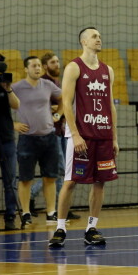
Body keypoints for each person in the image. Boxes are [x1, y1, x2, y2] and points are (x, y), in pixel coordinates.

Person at [49, 27, 119, 248]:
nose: (99, 38)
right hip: (81, 135)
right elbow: (66, 103)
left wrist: (114, 137)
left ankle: (92, 228)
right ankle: (60, 228)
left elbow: (110, 106)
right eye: (94, 36)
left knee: (100, 182)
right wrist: (76, 134)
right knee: (70, 182)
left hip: (103, 134)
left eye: (100, 35)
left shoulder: (108, 70)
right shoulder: (73, 67)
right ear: (83, 41)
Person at [12, 56, 63, 225]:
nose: (37, 68)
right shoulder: (17, 87)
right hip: (27, 140)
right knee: (26, 179)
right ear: (26, 69)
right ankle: (25, 213)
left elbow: (63, 98)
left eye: (39, 66)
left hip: (49, 138)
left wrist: (58, 114)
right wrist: (14, 124)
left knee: (50, 177)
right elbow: (0, 107)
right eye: (33, 66)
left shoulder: (48, 85)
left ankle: (51, 213)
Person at [29, 53, 81, 221]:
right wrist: (56, 111)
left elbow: (63, 104)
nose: (57, 64)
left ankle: (59, 206)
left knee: (62, 171)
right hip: (49, 132)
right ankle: (56, 205)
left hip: (61, 131)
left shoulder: (58, 82)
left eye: (58, 61)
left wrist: (61, 114)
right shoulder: (44, 82)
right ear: (45, 66)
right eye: (53, 62)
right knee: (58, 171)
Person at [0, 58, 20, 231]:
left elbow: (17, 106)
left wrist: (8, 90)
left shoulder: (5, 88)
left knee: (10, 181)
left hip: (7, 139)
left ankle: (10, 217)